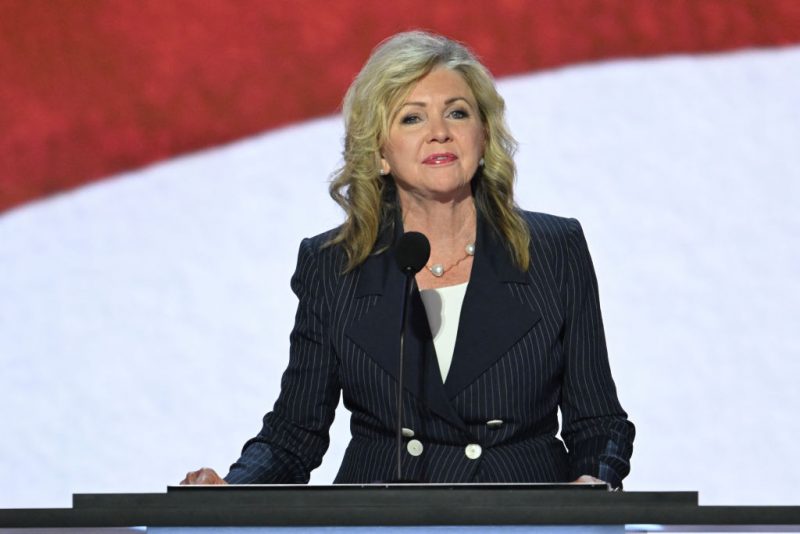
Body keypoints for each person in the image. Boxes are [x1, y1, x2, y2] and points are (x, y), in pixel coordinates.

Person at [182, 30, 634, 489]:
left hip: (517, 513)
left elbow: (598, 421)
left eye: (457, 112)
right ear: (379, 151)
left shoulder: (553, 248)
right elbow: (295, 434)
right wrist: (231, 492)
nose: (440, 131)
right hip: (383, 515)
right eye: (412, 118)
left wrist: (591, 485)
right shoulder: (333, 264)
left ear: (483, 138)